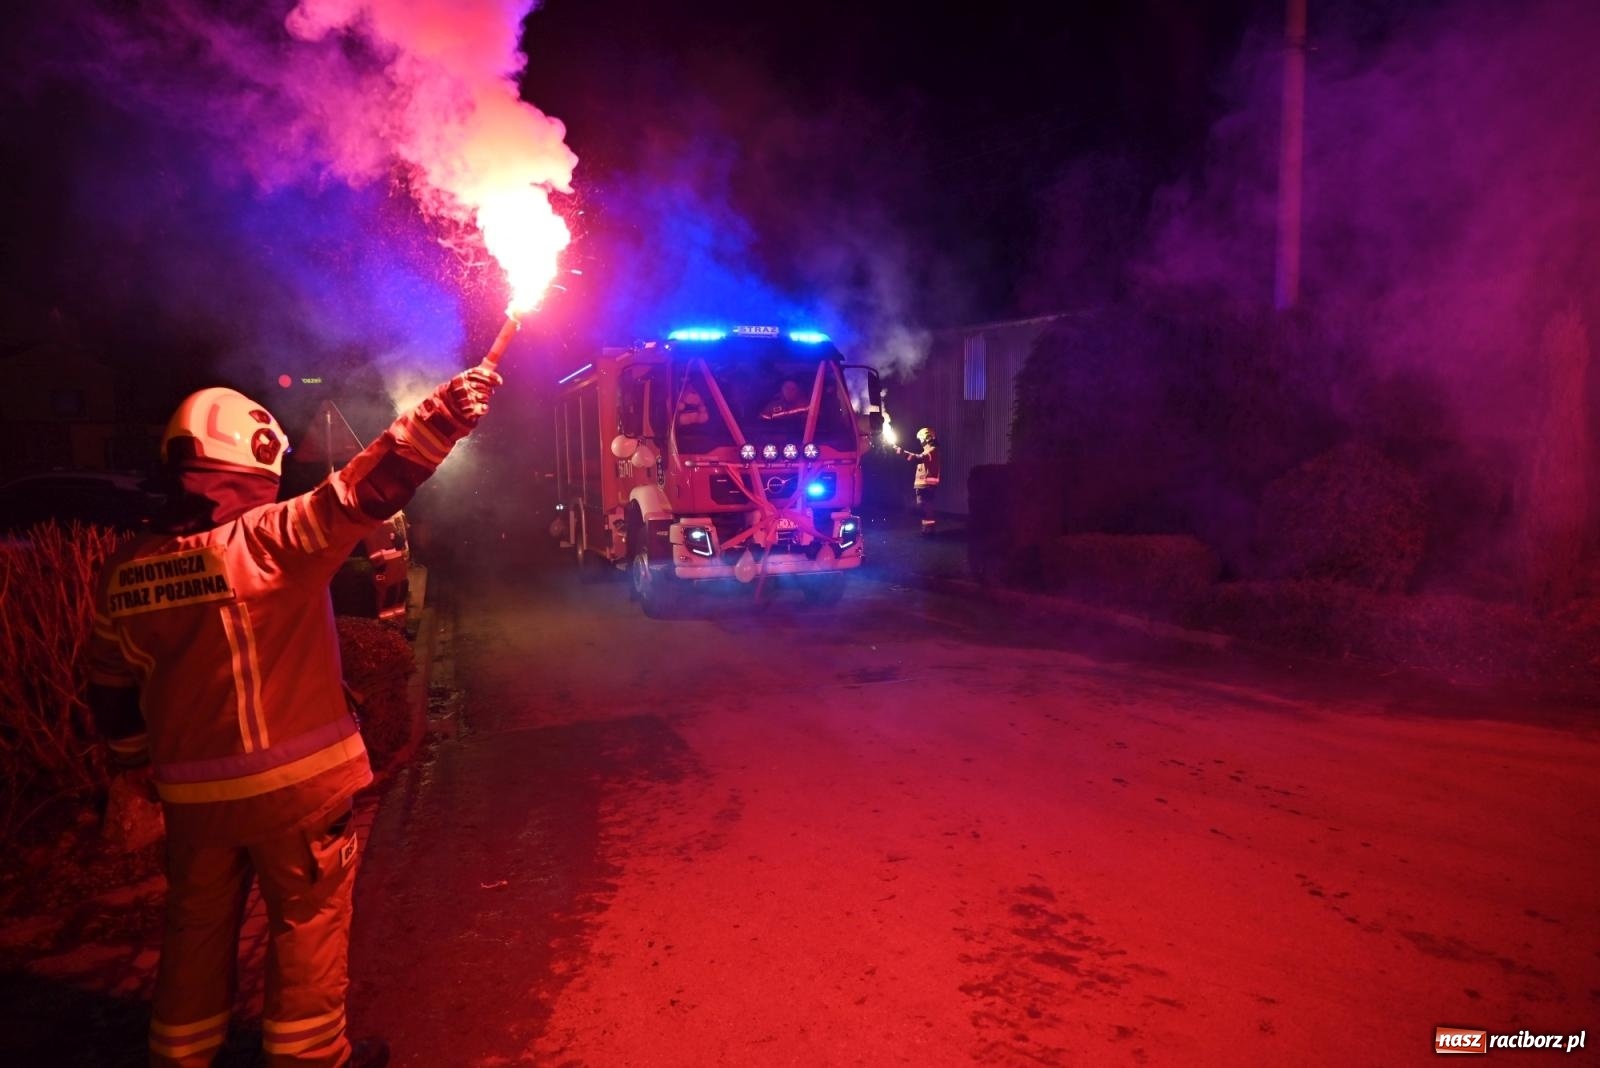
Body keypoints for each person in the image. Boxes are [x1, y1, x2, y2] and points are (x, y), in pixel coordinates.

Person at [86, 365, 501, 1068]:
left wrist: (131, 769)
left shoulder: (123, 572)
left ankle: (181, 1056)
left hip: (193, 803)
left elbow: (110, 689)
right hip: (296, 797)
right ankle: (312, 1059)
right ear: (251, 467)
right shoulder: (266, 542)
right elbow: (365, 490)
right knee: (305, 930)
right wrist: (444, 417)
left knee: (195, 933)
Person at [895, 425, 941, 535]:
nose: (920, 441)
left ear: (926, 439)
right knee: (924, 507)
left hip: (926, 485)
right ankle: (927, 529)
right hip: (924, 485)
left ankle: (929, 530)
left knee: (925, 507)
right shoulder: (930, 450)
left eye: (921, 439)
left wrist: (901, 451)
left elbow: (917, 458)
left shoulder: (932, 451)